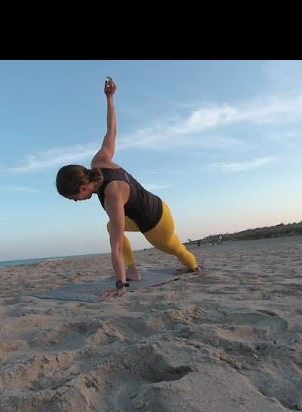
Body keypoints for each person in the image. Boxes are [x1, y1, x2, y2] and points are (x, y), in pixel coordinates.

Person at [56, 77, 200, 298]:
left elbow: (116, 248)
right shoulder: (99, 161)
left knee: (176, 249)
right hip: (154, 204)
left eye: (74, 197)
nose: (76, 201)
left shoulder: (113, 194)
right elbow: (112, 131)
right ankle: (133, 272)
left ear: (83, 187)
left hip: (157, 221)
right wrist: (110, 98)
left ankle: (193, 267)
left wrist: (119, 286)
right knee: (111, 227)